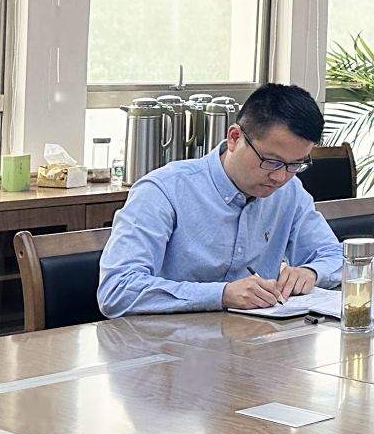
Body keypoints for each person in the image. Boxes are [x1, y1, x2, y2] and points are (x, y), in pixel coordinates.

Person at [98, 83, 343, 317]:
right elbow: (117, 289)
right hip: (167, 341)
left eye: (295, 165)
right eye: (271, 161)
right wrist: (222, 295)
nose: (280, 177)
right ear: (235, 138)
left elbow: (335, 256)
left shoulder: (289, 192)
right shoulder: (163, 191)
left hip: (255, 338)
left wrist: (312, 272)